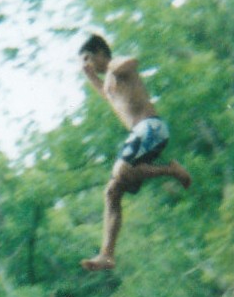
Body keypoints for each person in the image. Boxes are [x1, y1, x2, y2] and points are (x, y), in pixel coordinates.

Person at [78, 33, 191, 271]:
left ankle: (170, 170)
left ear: (100, 52)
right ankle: (107, 255)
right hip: (140, 134)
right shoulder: (110, 81)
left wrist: (109, 67)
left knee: (121, 170)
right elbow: (111, 97)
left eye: (88, 58)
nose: (87, 64)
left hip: (151, 128)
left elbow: (133, 62)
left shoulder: (117, 68)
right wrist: (91, 78)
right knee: (111, 192)